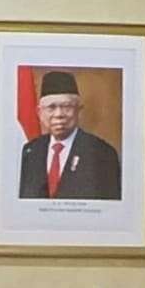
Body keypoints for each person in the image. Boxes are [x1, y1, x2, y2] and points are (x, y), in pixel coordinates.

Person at [18, 70, 121, 200]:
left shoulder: (101, 153)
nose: (59, 114)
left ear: (78, 109)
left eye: (66, 107)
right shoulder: (30, 151)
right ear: (39, 112)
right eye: (51, 107)